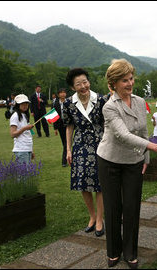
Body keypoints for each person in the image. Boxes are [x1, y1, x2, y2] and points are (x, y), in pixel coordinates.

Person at [97, 59, 157, 269]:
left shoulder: (138, 101)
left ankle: (130, 252)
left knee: (131, 207)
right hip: (109, 161)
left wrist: (146, 156)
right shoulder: (109, 107)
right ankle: (113, 251)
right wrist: (154, 148)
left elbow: (143, 130)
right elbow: (123, 135)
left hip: (134, 161)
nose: (130, 83)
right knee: (113, 208)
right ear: (113, 83)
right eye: (124, 80)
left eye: (131, 78)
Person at [63, 68, 106, 238]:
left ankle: (100, 220)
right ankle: (92, 216)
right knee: (82, 182)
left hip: (100, 144)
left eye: (85, 82)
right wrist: (68, 149)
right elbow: (69, 126)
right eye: (79, 84)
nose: (83, 86)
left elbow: (106, 123)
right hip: (80, 145)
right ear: (73, 87)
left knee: (100, 183)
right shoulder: (68, 103)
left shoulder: (102, 99)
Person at [9, 94, 35, 164]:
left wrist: (31, 150)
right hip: (21, 149)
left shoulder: (25, 116)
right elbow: (12, 134)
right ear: (18, 105)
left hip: (27, 148)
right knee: (24, 174)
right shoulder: (15, 116)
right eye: (22, 104)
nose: (25, 106)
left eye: (26, 103)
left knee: (27, 173)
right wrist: (25, 128)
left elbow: (28, 135)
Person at [53, 88, 68, 167]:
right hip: (60, 125)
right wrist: (55, 128)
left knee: (66, 142)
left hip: (68, 125)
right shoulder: (56, 104)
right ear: (58, 95)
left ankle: (64, 161)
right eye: (61, 93)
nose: (63, 94)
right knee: (64, 142)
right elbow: (54, 116)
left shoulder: (68, 102)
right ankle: (68, 155)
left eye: (64, 92)